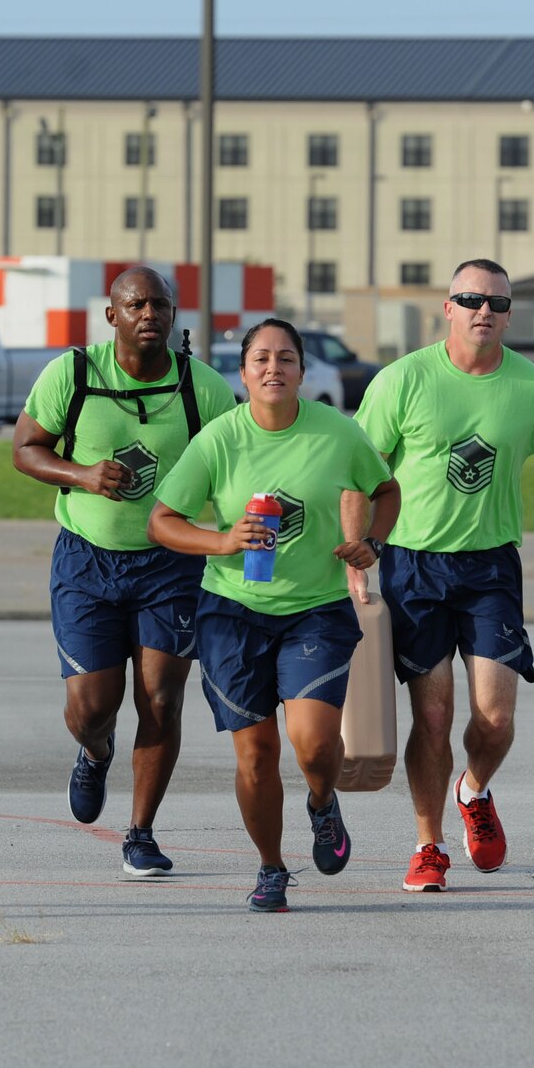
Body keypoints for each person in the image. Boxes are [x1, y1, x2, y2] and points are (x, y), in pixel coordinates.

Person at [346, 259, 534, 893]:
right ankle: (428, 845)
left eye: (498, 303)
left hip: (490, 568)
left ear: (511, 314)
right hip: (414, 566)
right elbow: (357, 473)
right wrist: (356, 553)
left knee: (495, 718)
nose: (484, 310)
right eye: (470, 299)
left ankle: (474, 790)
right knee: (431, 718)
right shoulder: (403, 380)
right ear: (448, 308)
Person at [149, 319, 399, 912]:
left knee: (313, 745)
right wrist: (223, 540)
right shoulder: (218, 439)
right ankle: (270, 867)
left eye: (286, 359)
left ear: (302, 373)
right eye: (261, 358)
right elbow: (162, 521)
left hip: (315, 609)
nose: (273, 369)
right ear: (243, 373)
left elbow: (384, 491)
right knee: (256, 754)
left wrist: (373, 542)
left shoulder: (337, 432)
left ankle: (321, 804)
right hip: (232, 611)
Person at [13, 267, 236, 876]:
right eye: (135, 303)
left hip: (171, 565)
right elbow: (25, 450)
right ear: (111, 315)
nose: (149, 314)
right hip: (88, 559)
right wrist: (82, 474)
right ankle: (94, 751)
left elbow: (237, 469)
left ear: (173, 314)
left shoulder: (203, 388)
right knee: (92, 706)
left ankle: (140, 832)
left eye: (159, 304)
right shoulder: (74, 374)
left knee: (161, 698)